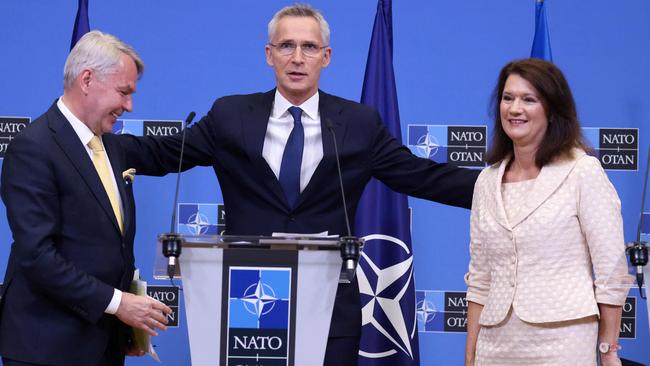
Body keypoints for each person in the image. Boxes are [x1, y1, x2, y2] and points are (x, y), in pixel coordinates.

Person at [116, 4, 479, 364]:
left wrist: (509, 184)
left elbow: (422, 175)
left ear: (326, 56)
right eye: (286, 46)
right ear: (269, 54)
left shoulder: (357, 123)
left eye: (309, 47)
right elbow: (162, 153)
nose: (298, 58)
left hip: (330, 307)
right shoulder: (231, 116)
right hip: (250, 301)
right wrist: (86, 138)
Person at [0, 31, 172, 366]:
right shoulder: (32, 148)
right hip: (46, 350)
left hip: (103, 347)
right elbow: (37, 257)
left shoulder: (110, 145)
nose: (129, 106)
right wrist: (119, 304)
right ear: (88, 79)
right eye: (124, 92)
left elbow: (171, 151)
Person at [464, 59, 632, 366]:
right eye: (508, 98)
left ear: (553, 110)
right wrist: (470, 356)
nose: (515, 109)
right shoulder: (486, 181)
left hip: (563, 342)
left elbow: (611, 272)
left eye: (529, 99)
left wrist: (608, 352)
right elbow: (480, 280)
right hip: (495, 345)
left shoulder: (582, 172)